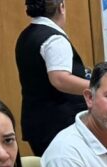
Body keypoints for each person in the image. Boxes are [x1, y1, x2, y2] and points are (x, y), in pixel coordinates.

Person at [15, 0, 90, 157]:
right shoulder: (54, 39)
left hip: (37, 122)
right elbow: (60, 79)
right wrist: (98, 87)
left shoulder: (27, 34)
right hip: (57, 123)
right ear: (61, 7)